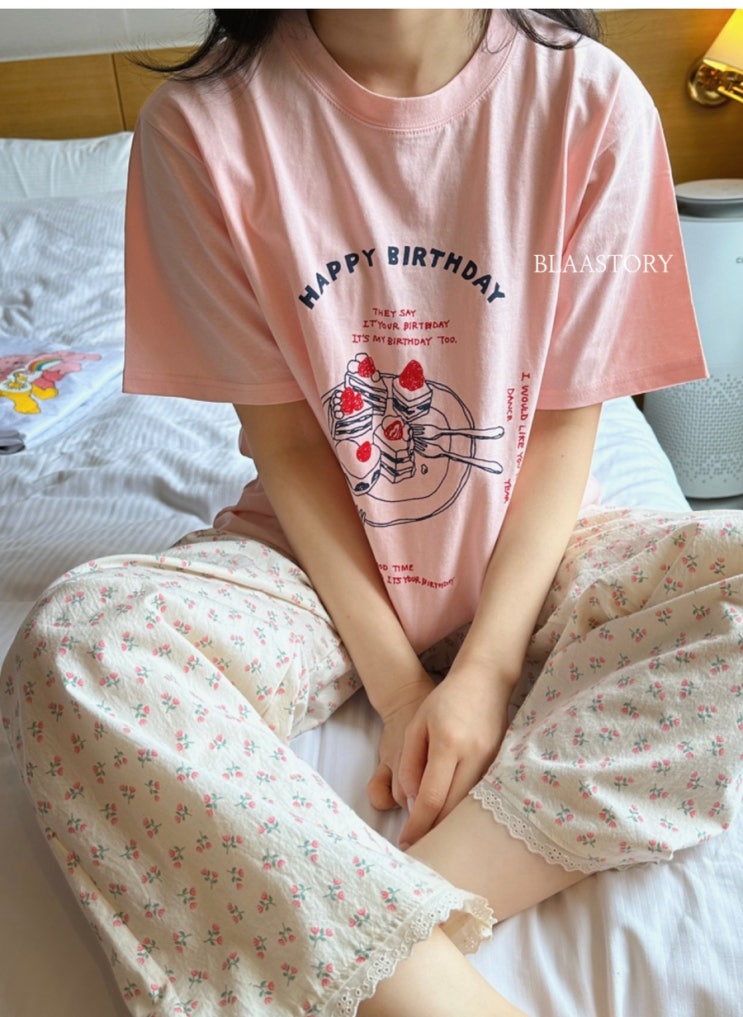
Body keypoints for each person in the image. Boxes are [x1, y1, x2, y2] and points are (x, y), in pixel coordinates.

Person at [3, 9, 742, 1017]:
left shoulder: (591, 101)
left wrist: (485, 669)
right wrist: (399, 690)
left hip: (546, 545)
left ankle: (393, 921)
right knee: (82, 644)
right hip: (308, 570)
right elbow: (290, 446)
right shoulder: (197, 129)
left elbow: (565, 427)